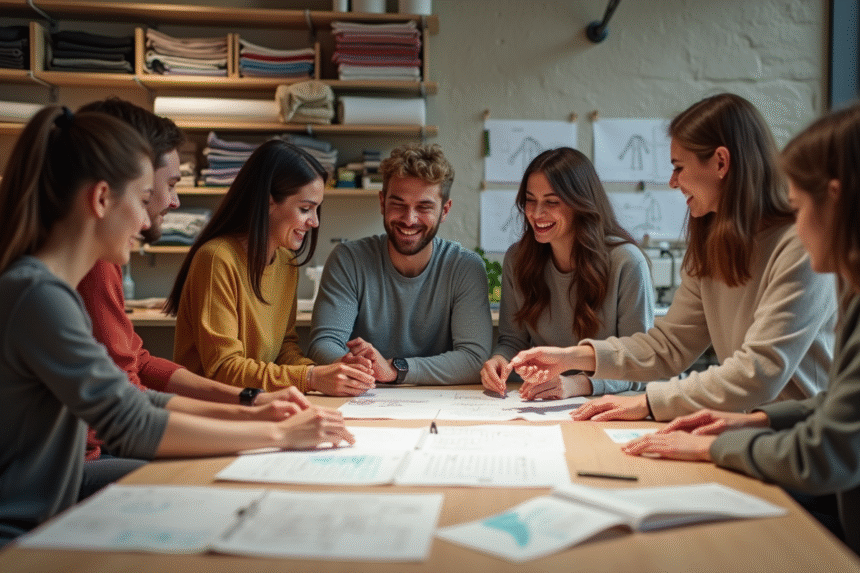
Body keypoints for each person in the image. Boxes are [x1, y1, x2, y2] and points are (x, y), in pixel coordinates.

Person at [0, 106, 353, 546]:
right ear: (102, 198)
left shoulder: (50, 292)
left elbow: (134, 402)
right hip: (21, 535)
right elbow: (129, 423)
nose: (150, 221)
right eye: (143, 199)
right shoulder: (39, 297)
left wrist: (253, 412)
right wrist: (275, 433)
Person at [506, 93, 836, 421]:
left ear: (721, 162)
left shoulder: (802, 243)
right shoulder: (711, 241)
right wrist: (571, 357)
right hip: (747, 430)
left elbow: (759, 371)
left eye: (679, 167)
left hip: (804, 439)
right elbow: (671, 345)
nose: (672, 181)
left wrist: (649, 402)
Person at [622, 102, 860, 554]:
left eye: (800, 207)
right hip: (783, 447)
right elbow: (836, 404)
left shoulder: (800, 254)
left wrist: (719, 443)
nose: (799, 226)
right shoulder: (713, 237)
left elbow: (822, 444)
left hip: (811, 483)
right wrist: (756, 419)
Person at [75, 99, 313, 463]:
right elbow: (129, 412)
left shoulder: (92, 263)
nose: (172, 202)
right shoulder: (81, 271)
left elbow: (137, 366)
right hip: (90, 459)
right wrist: (269, 428)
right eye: (155, 191)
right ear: (105, 193)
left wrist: (253, 401)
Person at [164, 139, 375, 396]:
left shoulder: (286, 261)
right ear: (268, 201)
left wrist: (332, 371)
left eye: (317, 209)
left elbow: (284, 348)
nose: (315, 222)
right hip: (210, 413)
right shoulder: (217, 259)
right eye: (305, 208)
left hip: (253, 407)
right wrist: (311, 377)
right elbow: (222, 369)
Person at [308, 143, 492, 389]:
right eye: (398, 204)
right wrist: (359, 366)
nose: (409, 218)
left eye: (424, 207)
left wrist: (395, 369)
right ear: (382, 203)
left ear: (444, 210)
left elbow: (473, 359)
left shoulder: (465, 268)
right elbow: (323, 344)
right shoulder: (348, 260)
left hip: (440, 404)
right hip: (364, 396)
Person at [481, 147, 654, 399]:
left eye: (551, 202)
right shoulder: (517, 259)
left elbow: (641, 365)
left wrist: (579, 385)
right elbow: (513, 341)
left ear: (581, 205)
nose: (536, 213)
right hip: (540, 402)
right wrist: (499, 360)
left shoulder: (626, 262)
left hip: (604, 406)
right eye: (530, 200)